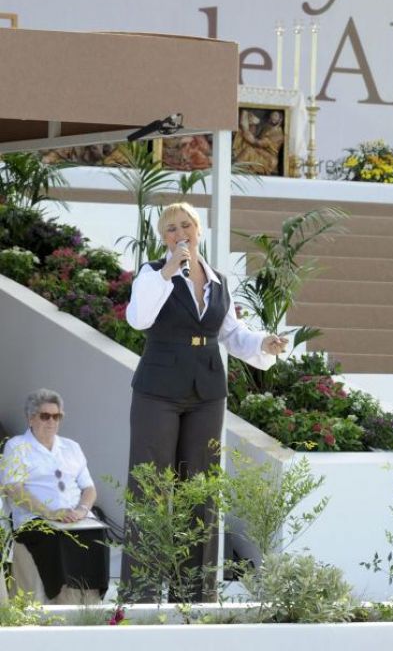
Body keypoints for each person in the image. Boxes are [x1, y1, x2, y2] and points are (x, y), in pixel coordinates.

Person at [123, 201, 287, 600]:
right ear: (164, 238)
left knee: (201, 490)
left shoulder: (218, 281)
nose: (180, 234)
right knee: (151, 487)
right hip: (158, 390)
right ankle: (142, 595)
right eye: (171, 229)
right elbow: (138, 319)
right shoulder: (151, 274)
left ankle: (195, 596)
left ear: (198, 230)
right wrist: (167, 271)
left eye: (186, 226)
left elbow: (231, 334)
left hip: (207, 392)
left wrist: (264, 343)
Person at [1, 389, 109, 604]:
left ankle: (90, 604)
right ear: (30, 418)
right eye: (45, 416)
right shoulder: (17, 446)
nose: (51, 421)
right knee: (55, 539)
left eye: (57, 416)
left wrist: (81, 510)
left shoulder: (71, 447)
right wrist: (50, 513)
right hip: (36, 520)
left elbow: (89, 488)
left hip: (75, 518)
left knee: (97, 535)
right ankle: (62, 603)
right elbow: (14, 489)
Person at [233, 109, 285, 175]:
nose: (273, 117)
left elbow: (256, 142)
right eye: (272, 115)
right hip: (260, 152)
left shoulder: (277, 134)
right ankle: (238, 167)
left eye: (275, 115)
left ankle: (236, 169)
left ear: (280, 119)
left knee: (248, 150)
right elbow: (256, 137)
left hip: (268, 159)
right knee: (243, 141)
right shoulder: (268, 128)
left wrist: (245, 130)